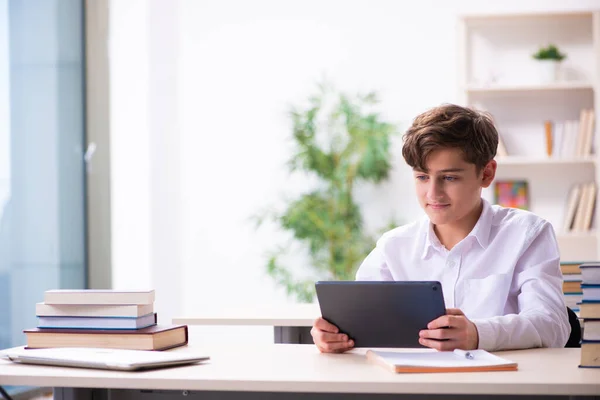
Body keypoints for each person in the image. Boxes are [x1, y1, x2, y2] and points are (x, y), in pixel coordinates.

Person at [311, 104, 570, 353]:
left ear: (487, 173)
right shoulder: (394, 246)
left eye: (449, 178)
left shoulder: (528, 234)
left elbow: (553, 325)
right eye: (422, 177)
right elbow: (359, 321)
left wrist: (478, 334)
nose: (432, 193)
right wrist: (333, 335)